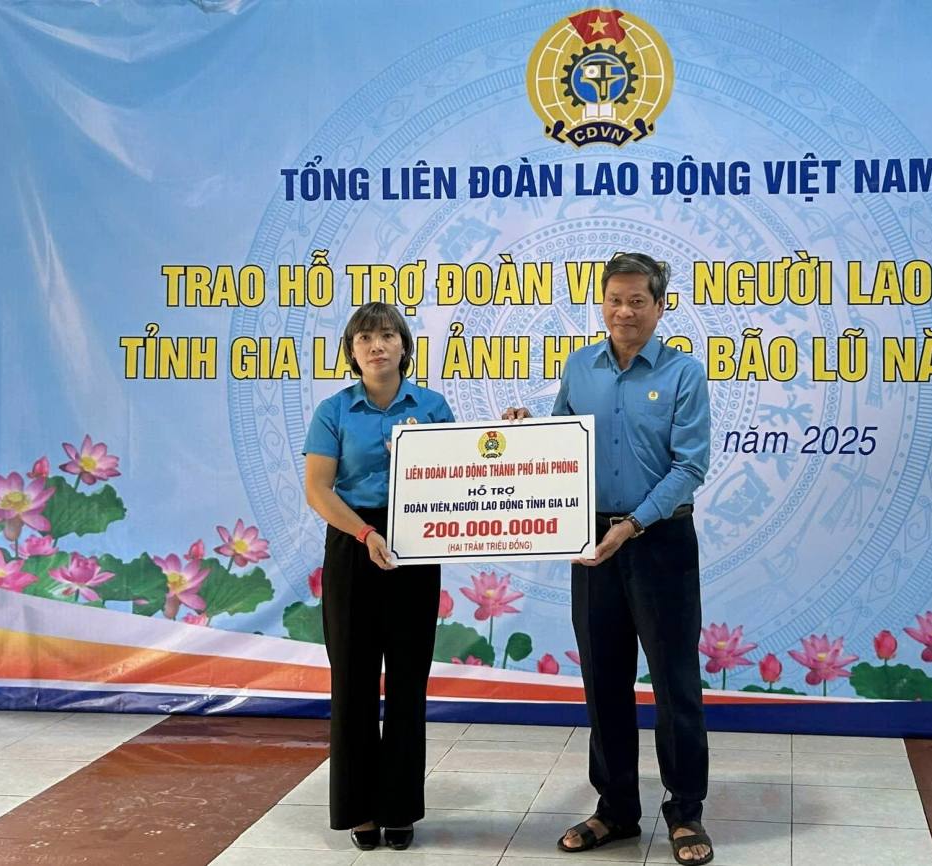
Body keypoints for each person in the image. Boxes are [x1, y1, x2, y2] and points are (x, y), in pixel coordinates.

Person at [503, 252, 714, 865]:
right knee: (604, 681)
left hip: (660, 541)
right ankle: (617, 810)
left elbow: (690, 466)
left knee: (675, 682)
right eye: (614, 300)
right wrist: (521, 431)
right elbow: (560, 444)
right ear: (602, 302)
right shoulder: (580, 367)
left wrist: (632, 525)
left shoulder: (683, 374)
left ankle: (686, 812)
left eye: (637, 302)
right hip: (589, 542)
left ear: (660, 306)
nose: (624, 312)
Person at [304, 302, 454, 851]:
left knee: (409, 684)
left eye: (387, 335)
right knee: (354, 683)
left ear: (403, 346)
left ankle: (399, 809)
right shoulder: (334, 411)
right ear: (352, 352)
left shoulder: (433, 406)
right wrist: (366, 536)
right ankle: (358, 809)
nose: (377, 346)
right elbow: (319, 489)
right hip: (353, 543)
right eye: (365, 338)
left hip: (416, 547)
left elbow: (465, 480)